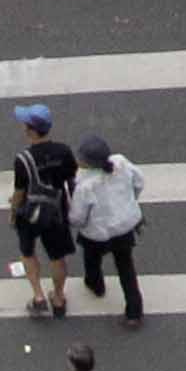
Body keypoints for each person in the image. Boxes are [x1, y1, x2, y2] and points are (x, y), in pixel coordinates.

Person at [71, 136, 150, 326]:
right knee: (126, 267)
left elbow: (78, 217)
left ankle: (96, 285)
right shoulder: (121, 163)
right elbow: (139, 182)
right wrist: (130, 203)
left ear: (87, 163)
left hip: (98, 234)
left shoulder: (84, 185)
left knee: (92, 260)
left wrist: (75, 224)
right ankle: (134, 311)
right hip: (124, 227)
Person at [10, 105, 80, 319]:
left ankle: (38, 297)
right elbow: (71, 181)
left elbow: (19, 192)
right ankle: (58, 298)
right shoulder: (64, 151)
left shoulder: (23, 159)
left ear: (30, 130)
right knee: (58, 257)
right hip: (56, 212)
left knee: (28, 252)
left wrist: (14, 213)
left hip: (29, 213)